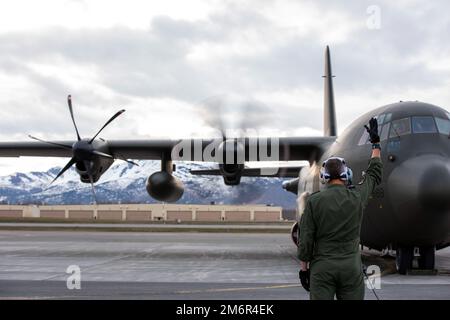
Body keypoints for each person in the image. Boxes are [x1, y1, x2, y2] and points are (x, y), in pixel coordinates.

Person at [297, 117, 383, 300]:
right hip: (350, 268)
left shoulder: (314, 201)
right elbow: (374, 173)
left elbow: (305, 240)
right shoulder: (356, 197)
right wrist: (376, 144)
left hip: (322, 269)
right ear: (347, 175)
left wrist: (304, 269)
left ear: (324, 177)